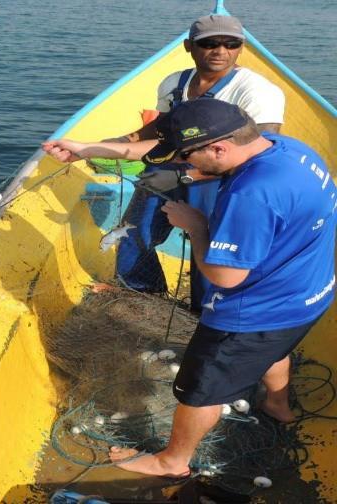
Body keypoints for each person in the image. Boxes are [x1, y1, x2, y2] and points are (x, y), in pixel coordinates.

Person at [107, 99, 335, 477]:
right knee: (276, 349)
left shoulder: (250, 195)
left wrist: (195, 225)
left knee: (201, 390)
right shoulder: (290, 149)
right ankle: (278, 405)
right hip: (310, 296)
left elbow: (226, 277)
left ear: (219, 147)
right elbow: (236, 174)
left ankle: (171, 461)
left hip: (254, 314)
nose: (189, 165)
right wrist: (184, 178)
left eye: (188, 157)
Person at [42, 14, 285, 308]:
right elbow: (158, 132)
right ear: (188, 46)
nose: (221, 50)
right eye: (209, 43)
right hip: (170, 167)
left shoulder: (258, 92)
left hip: (226, 179)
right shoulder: (174, 83)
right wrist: (99, 147)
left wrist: (187, 177)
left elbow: (257, 160)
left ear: (240, 47)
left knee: (210, 244)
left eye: (231, 43)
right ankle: (142, 293)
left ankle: (207, 308)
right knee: (135, 231)